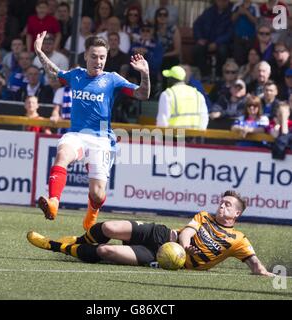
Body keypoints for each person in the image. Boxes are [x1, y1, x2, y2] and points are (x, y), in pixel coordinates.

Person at [34, 31, 150, 230]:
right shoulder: (76, 75)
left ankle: (93, 210)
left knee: (97, 194)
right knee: (62, 155)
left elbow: (142, 94)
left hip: (102, 139)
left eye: (102, 57)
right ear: (86, 55)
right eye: (94, 56)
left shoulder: (112, 79)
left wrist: (145, 74)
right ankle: (54, 202)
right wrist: (38, 51)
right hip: (76, 135)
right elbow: (55, 72)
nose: (99, 61)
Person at [27, 190, 274, 276]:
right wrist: (186, 246)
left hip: (162, 258)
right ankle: (76, 241)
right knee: (109, 227)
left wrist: (266, 274)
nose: (222, 206)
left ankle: (55, 245)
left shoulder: (238, 240)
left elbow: (254, 264)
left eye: (228, 205)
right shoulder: (204, 216)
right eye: (221, 202)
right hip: (163, 236)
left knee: (105, 250)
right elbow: (188, 232)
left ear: (237, 215)